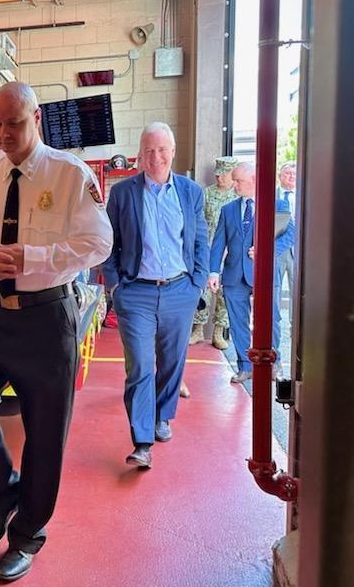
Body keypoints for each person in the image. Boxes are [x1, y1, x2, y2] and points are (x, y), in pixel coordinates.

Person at [0, 82, 113, 582]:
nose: (3, 134)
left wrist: (33, 257)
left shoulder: (69, 175)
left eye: (13, 123)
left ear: (35, 118)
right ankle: (2, 494)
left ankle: (27, 537)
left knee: (45, 439)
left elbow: (99, 242)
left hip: (47, 320)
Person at [103, 122, 209, 469]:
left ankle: (163, 415)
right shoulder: (122, 194)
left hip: (181, 289)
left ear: (173, 152)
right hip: (136, 293)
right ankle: (142, 440)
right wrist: (116, 285)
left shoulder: (191, 193)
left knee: (172, 361)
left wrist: (197, 282)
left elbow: (199, 240)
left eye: (162, 149)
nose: (156, 156)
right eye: (149, 150)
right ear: (139, 155)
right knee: (139, 365)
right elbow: (110, 243)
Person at [208, 162, 295, 384]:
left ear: (254, 180)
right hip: (234, 275)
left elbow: (291, 235)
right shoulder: (228, 209)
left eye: (238, 181)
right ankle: (245, 367)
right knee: (238, 323)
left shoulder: (277, 205)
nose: (234, 185)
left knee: (271, 319)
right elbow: (218, 242)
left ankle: (273, 364)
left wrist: (267, 250)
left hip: (264, 273)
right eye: (234, 180)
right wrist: (213, 272)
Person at [189, 155, 239, 349]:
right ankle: (198, 330)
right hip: (207, 250)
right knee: (203, 290)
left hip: (230, 252)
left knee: (224, 293)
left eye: (224, 175)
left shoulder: (238, 196)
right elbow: (198, 221)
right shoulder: (206, 194)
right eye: (217, 175)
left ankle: (219, 332)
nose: (219, 178)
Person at [276, 161, 297, 318]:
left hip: (299, 250)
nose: (291, 176)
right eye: (287, 173)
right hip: (278, 249)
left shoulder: (306, 195)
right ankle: (273, 331)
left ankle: (294, 329)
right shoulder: (270, 195)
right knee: (274, 290)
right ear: (279, 176)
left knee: (297, 292)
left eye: (294, 174)